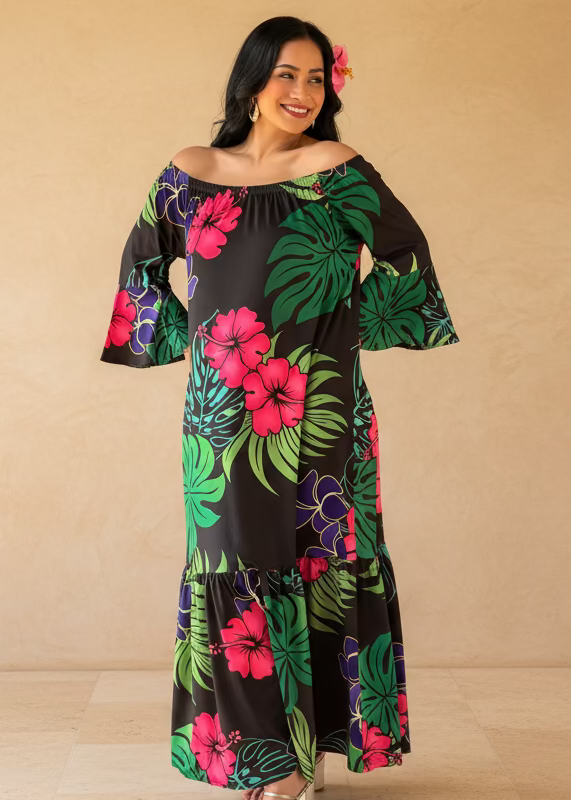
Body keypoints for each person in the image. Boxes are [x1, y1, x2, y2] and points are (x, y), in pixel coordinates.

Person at [100, 15, 460, 800]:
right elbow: (143, 264)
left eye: (315, 79)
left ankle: (299, 762)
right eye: (285, 76)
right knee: (232, 566)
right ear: (250, 81)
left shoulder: (335, 166)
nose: (301, 93)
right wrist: (190, 334)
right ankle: (271, 755)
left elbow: (409, 261)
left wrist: (331, 333)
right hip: (221, 415)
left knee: (321, 564)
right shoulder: (190, 171)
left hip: (321, 411)